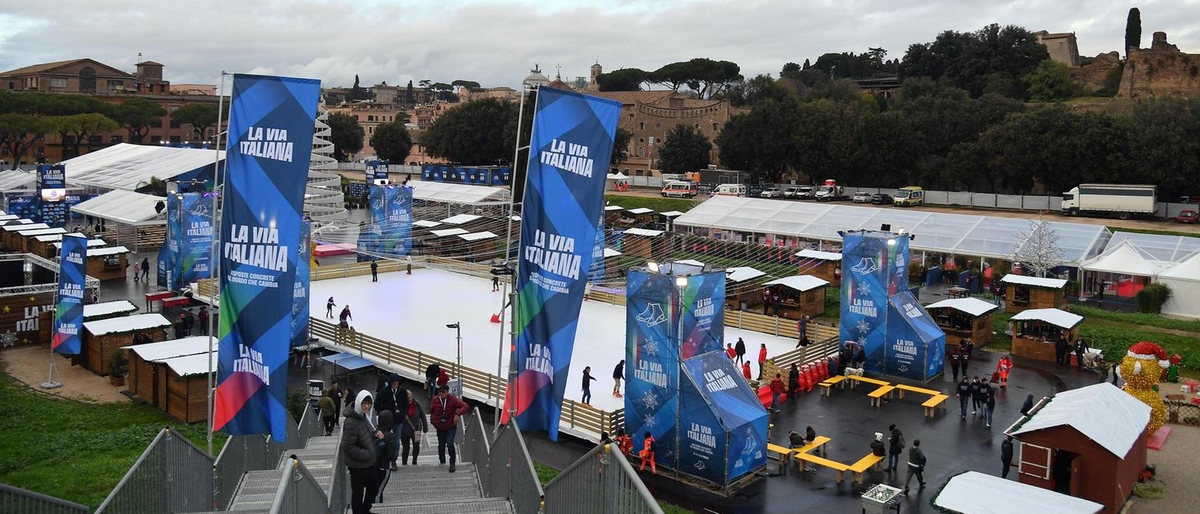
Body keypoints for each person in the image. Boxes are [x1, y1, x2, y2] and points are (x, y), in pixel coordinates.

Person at [341, 390, 380, 514]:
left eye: (369, 404)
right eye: (364, 403)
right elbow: (347, 446)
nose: (367, 406)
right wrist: (366, 454)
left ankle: (364, 510)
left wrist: (374, 434)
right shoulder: (351, 421)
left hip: (368, 463)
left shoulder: (363, 416)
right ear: (359, 403)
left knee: (373, 486)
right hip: (358, 465)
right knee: (358, 493)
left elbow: (365, 433)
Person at [430, 384, 469, 473]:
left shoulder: (452, 399)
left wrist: (457, 414)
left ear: (447, 392)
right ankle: (442, 461)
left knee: (450, 443)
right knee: (441, 446)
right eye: (439, 392)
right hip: (439, 426)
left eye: (443, 392)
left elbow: (465, 406)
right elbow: (431, 410)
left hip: (450, 425)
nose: (441, 394)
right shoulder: (435, 399)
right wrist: (433, 421)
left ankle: (452, 462)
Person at [374, 374, 408, 471]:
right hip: (386, 421)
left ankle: (394, 460)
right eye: (393, 384)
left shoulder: (402, 392)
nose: (395, 385)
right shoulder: (384, 392)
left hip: (398, 420)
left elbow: (405, 404)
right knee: (384, 439)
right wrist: (382, 413)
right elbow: (377, 404)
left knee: (396, 441)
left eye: (397, 384)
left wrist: (402, 413)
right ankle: (382, 458)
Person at [372, 410, 398, 504]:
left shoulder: (376, 433)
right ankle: (378, 506)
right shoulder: (390, 436)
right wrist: (394, 457)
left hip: (375, 464)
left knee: (375, 487)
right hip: (385, 465)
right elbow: (391, 454)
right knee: (379, 489)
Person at [399, 390, 427, 465]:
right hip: (404, 431)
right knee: (405, 448)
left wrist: (425, 428)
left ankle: (414, 460)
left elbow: (423, 416)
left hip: (416, 429)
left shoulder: (417, 404)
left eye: (410, 397)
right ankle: (404, 463)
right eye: (407, 397)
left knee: (416, 446)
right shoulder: (401, 405)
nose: (409, 399)